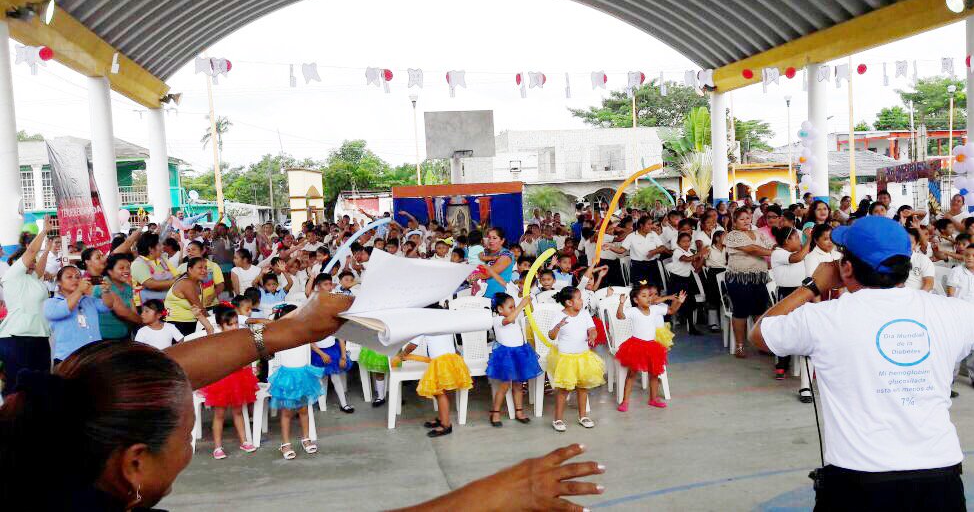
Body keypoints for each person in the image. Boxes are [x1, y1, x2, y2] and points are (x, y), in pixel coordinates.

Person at [0, 291, 606, 509]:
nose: (189, 442)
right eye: (186, 433)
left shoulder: (46, 449)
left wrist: (285, 332)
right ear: (135, 464)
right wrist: (492, 497)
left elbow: (154, 374)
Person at [749, 215, 974, 510]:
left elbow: (760, 334)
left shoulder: (824, 317)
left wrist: (812, 286)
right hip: (938, 479)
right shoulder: (952, 312)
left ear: (846, 268)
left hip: (856, 481)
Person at [199, 304, 259, 459]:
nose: (234, 327)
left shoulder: (241, 337)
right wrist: (199, 316)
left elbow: (247, 356)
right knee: (219, 414)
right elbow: (208, 328)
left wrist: (252, 368)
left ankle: (244, 441)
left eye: (236, 323)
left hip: (239, 378)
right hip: (222, 380)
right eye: (229, 324)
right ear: (221, 325)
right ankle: (217, 447)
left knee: (238, 412)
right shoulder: (216, 338)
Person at [0, 218, 53, 393]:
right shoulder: (12, 276)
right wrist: (44, 231)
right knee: (18, 389)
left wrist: (47, 250)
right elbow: (31, 251)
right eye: (30, 259)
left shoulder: (32, 278)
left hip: (40, 336)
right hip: (16, 338)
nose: (33, 261)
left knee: (41, 386)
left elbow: (39, 268)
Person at [266, 304, 324, 460]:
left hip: (303, 377)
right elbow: (270, 328)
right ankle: (285, 443)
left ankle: (306, 438)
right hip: (287, 378)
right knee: (287, 412)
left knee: (303, 410)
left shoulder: (305, 334)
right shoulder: (280, 336)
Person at [614, 285, 683, 411]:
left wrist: (679, 302)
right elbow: (620, 316)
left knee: (654, 374)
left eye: (649, 295)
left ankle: (653, 399)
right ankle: (625, 401)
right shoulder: (633, 311)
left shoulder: (655, 309)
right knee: (632, 374)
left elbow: (671, 311)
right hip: (636, 346)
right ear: (636, 300)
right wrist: (621, 304)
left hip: (652, 346)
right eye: (644, 296)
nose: (648, 298)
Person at [547, 287, 604, 432]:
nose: (581, 300)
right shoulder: (559, 316)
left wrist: (592, 335)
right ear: (569, 302)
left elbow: (592, 329)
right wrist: (558, 326)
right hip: (566, 358)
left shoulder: (584, 314)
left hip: (583, 356)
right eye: (578, 298)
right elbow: (551, 336)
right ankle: (558, 419)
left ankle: (583, 416)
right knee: (563, 390)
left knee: (582, 387)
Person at [397, 333, 472, 438]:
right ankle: (442, 418)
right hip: (452, 358)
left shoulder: (425, 325)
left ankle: (446, 425)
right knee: (444, 391)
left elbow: (413, 344)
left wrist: (403, 354)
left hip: (441, 361)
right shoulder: (443, 323)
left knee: (439, 392)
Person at [485, 293, 541, 427]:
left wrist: (528, 300)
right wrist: (521, 305)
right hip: (506, 356)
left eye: (514, 306)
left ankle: (519, 411)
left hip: (519, 353)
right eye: (511, 307)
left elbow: (530, 311)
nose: (514, 309)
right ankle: (495, 412)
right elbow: (509, 320)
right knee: (504, 386)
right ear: (500, 309)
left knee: (518, 385)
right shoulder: (498, 320)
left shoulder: (516, 315)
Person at [724, 208, 774, 358]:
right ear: (734, 222)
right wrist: (775, 253)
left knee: (760, 310)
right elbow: (753, 249)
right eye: (742, 219)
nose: (746, 221)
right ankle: (739, 346)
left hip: (759, 277)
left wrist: (777, 249)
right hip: (739, 278)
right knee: (741, 311)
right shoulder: (732, 235)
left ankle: (761, 344)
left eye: (747, 218)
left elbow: (771, 245)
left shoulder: (758, 233)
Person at [44, 266, 116, 365]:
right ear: (59, 282)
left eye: (78, 277)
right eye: (69, 277)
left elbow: (108, 306)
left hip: (93, 356)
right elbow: (64, 309)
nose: (75, 280)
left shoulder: (88, 299)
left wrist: (106, 291)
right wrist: (79, 290)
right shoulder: (51, 303)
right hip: (68, 359)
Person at [770, 226, 806, 380]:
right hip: (786, 293)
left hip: (801, 291)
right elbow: (797, 258)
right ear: (786, 241)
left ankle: (804, 361)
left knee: (802, 325)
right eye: (796, 238)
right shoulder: (778, 253)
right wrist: (809, 240)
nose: (799, 241)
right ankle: (782, 363)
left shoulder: (797, 251)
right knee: (785, 326)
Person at [164, 257, 216, 337]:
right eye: (200, 268)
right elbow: (200, 308)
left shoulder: (198, 282)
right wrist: (214, 322)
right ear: (190, 269)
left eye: (205, 268)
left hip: (190, 323)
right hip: (178, 325)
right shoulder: (186, 283)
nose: (204, 271)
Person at [95, 253, 142, 340]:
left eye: (128, 267)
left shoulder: (127, 287)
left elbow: (133, 311)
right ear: (110, 271)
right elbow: (122, 312)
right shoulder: (103, 285)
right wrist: (145, 322)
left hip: (124, 336)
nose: (127, 271)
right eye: (121, 268)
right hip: (104, 339)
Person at [130, 232, 178, 304]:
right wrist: (174, 282)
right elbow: (151, 284)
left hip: (165, 299)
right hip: (146, 305)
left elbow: (176, 275)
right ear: (151, 249)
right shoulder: (138, 264)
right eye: (159, 245)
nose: (162, 247)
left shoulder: (162, 259)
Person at [623, 216, 667, 286]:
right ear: (641, 225)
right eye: (649, 224)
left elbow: (662, 247)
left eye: (651, 224)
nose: (652, 226)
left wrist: (654, 252)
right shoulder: (631, 236)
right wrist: (610, 247)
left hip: (652, 265)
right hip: (638, 266)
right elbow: (621, 250)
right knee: (641, 289)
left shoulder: (653, 234)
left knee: (654, 288)